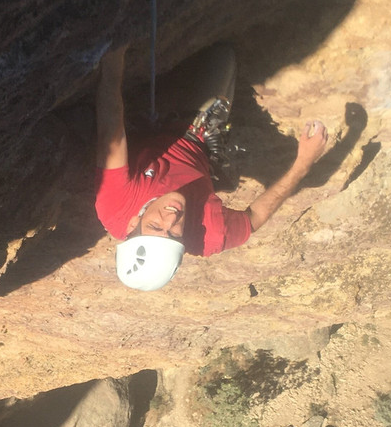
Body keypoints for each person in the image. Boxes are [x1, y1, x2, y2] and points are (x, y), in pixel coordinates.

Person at [95, 43, 329, 291]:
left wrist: (114, 53)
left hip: (145, 130)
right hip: (194, 137)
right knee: (223, 54)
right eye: (174, 234)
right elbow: (255, 218)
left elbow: (111, 129)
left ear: (133, 224)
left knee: (206, 59)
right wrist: (302, 165)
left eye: (155, 226)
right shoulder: (209, 234)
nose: (172, 217)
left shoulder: (115, 205)